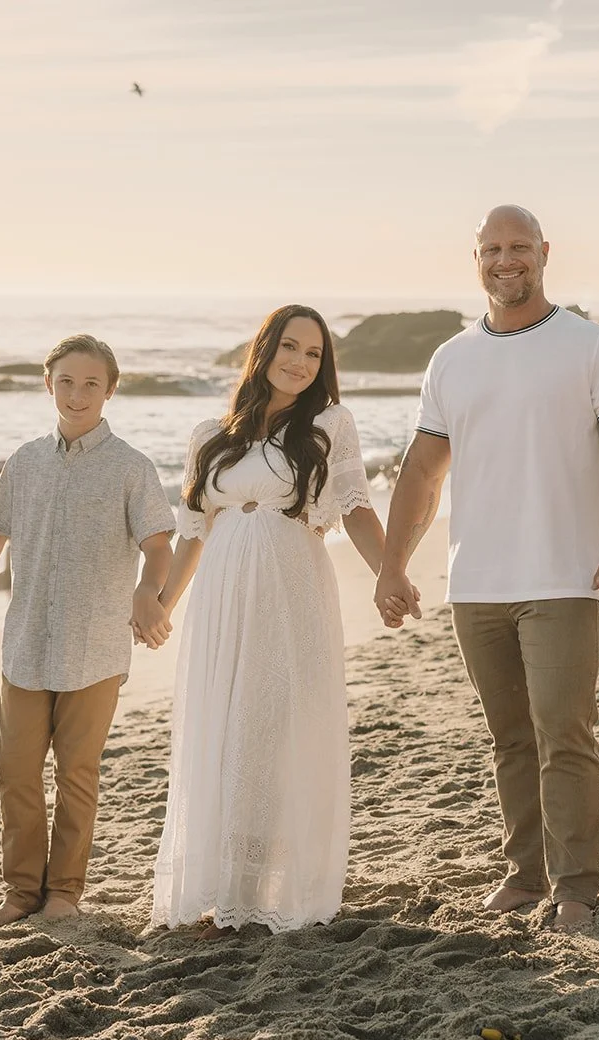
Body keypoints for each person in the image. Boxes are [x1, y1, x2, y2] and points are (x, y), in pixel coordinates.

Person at [374, 205, 599, 931]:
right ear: (476, 258)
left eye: (520, 247)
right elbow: (422, 471)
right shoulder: (451, 357)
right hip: (475, 583)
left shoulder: (593, 346)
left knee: (564, 731)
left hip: (563, 577)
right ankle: (527, 872)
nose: (507, 260)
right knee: (509, 737)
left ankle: (576, 885)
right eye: (493, 248)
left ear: (544, 253)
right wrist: (392, 564)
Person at [151, 304, 404, 936]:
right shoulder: (210, 435)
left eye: (313, 353)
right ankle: (219, 892)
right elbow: (191, 536)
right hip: (219, 603)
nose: (298, 362)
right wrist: (159, 604)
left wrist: (388, 573)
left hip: (289, 593)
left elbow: (354, 509)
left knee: (270, 730)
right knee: (221, 728)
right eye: (289, 346)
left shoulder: (328, 424)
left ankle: (261, 892)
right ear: (263, 350)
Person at [0, 334, 175, 927]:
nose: (77, 394)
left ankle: (64, 892)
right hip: (26, 645)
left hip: (94, 648)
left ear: (110, 391)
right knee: (16, 773)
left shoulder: (132, 467)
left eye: (91, 383)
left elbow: (159, 546)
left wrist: (147, 591)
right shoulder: (26, 462)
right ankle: (19, 892)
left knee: (78, 774)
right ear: (47, 384)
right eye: (66, 381)